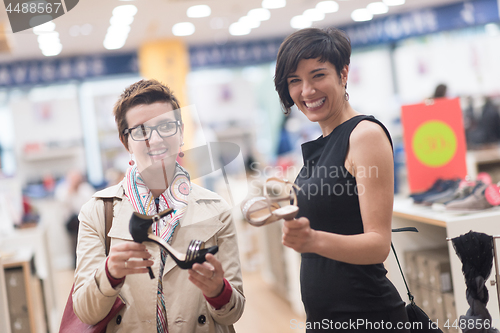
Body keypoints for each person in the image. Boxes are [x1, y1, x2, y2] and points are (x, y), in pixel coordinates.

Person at [72, 79, 244, 332]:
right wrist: (109, 273)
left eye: (166, 126)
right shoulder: (98, 211)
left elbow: (234, 313)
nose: (156, 139)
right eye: (141, 131)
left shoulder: (216, 208)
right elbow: (86, 312)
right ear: (125, 140)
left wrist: (218, 290)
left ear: (181, 131)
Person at [274, 28, 409, 332]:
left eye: (317, 75)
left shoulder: (365, 135)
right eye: (295, 81)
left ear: (343, 73)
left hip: (367, 314)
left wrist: (312, 240)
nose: (306, 91)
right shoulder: (324, 141)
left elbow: (378, 244)